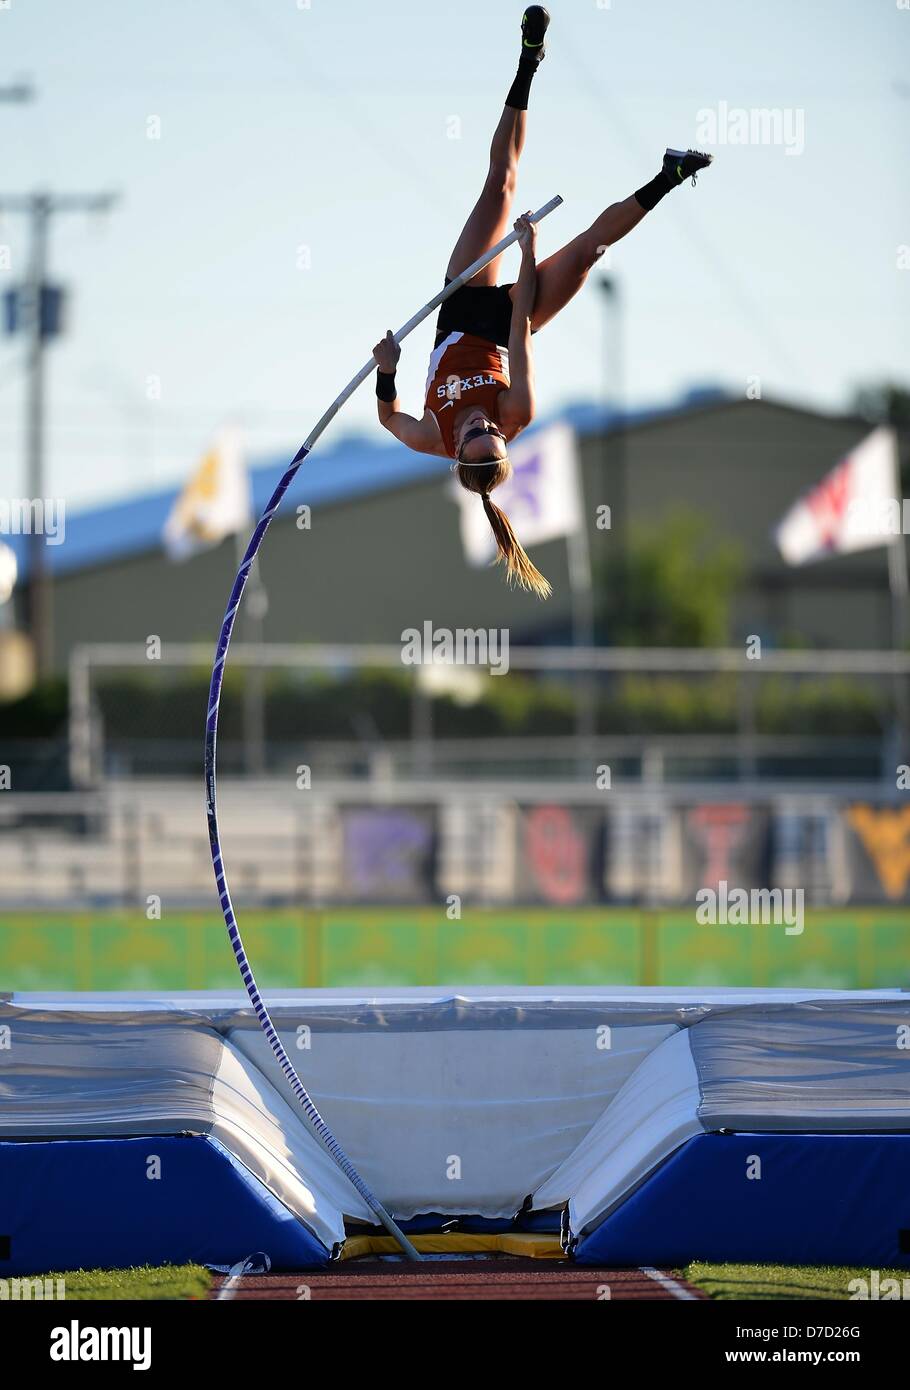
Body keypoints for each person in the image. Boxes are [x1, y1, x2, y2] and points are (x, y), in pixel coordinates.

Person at [372, 6, 712, 598]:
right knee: (585, 253)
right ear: (503, 440)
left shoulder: (433, 437)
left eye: (473, 429)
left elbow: (388, 417)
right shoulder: (517, 410)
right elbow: (521, 326)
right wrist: (530, 253)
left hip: (461, 304)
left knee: (500, 183)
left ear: (458, 453)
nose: (481, 420)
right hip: (508, 323)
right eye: (490, 430)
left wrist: (388, 370)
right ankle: (668, 175)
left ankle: (528, 59)